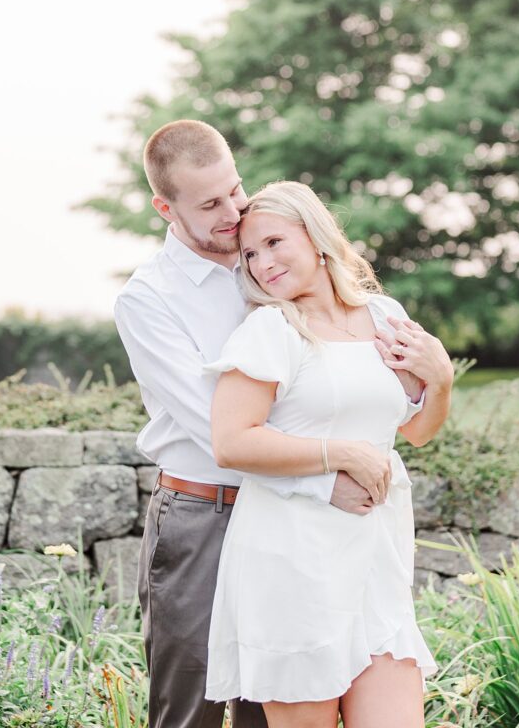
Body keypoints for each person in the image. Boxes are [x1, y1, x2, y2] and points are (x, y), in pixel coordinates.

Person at [113, 119, 447, 728]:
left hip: (317, 526)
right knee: (195, 709)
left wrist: (435, 382)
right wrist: (327, 477)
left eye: (235, 190)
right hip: (206, 515)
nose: (233, 212)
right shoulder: (150, 299)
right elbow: (216, 429)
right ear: (165, 207)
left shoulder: (270, 258)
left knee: (277, 712)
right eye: (210, 204)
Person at [203, 180, 453, 728]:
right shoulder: (270, 330)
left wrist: (442, 380)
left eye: (274, 242)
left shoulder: (386, 316)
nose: (262, 262)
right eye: (249, 254)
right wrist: (341, 454)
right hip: (292, 561)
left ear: (315, 237)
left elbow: (417, 433)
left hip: (375, 558)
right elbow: (232, 440)